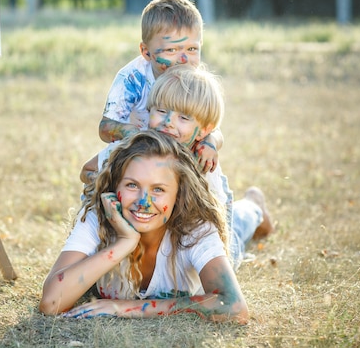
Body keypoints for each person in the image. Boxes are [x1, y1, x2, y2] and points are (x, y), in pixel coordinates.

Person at [39, 130, 249, 323]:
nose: (143, 202)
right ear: (114, 185)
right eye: (132, 185)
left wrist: (126, 307)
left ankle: (254, 204)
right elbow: (51, 303)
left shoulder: (195, 230)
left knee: (240, 226)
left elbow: (234, 307)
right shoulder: (99, 217)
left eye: (158, 189)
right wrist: (124, 242)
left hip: (227, 243)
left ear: (178, 195)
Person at [84, 64, 274, 268]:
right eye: (161, 111)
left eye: (183, 118)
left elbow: (214, 220)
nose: (168, 122)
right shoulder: (135, 148)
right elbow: (87, 171)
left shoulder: (200, 160)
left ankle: (254, 206)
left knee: (233, 246)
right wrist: (110, 181)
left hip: (205, 219)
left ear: (203, 131)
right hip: (155, 225)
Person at [92, 0, 223, 180]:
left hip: (182, 152)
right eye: (171, 50)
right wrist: (135, 135)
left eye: (192, 49)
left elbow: (211, 126)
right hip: (139, 152)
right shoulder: (131, 79)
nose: (184, 60)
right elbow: (105, 128)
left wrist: (210, 143)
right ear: (146, 52)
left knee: (206, 170)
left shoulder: (196, 81)